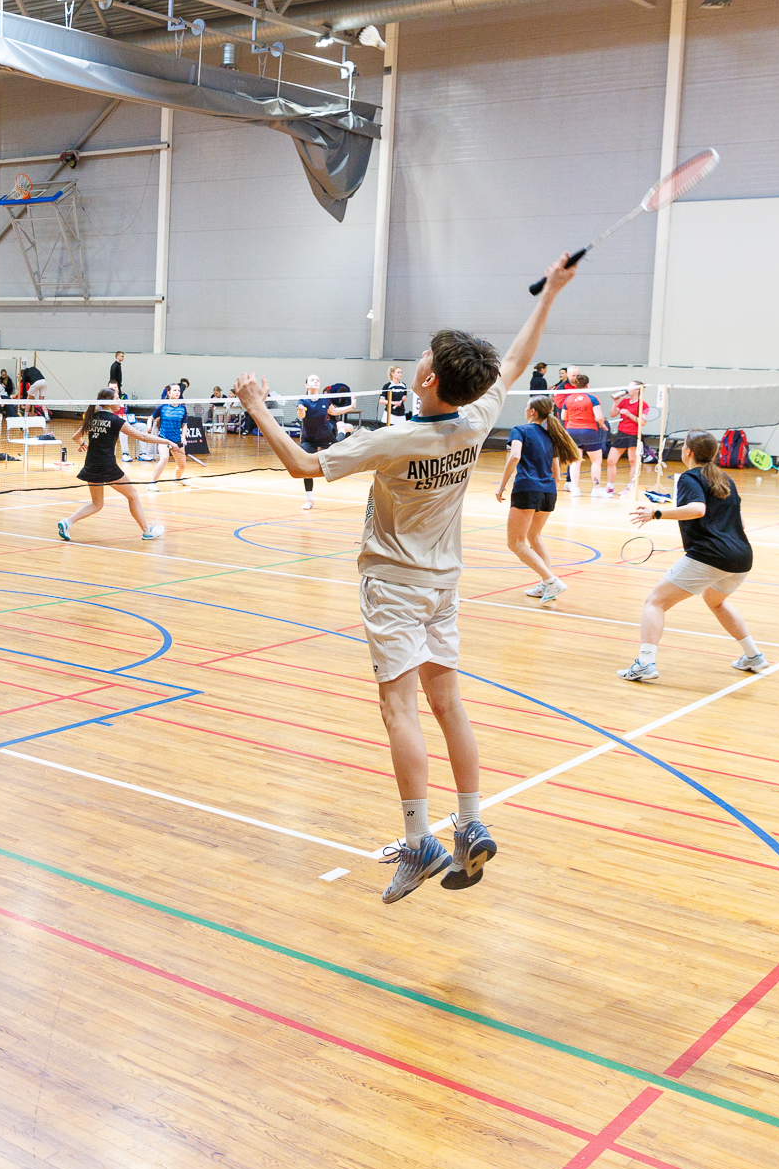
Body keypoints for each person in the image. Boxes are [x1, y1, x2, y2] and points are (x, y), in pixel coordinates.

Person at [232, 252, 579, 904]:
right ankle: (470, 821)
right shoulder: (477, 419)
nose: (419, 356)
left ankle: (421, 839)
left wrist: (256, 406)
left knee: (400, 709)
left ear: (428, 379)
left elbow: (304, 466)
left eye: (424, 355)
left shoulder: (391, 440)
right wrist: (551, 293)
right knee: (448, 704)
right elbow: (518, 358)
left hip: (393, 587)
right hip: (444, 586)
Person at [618, 432, 768, 682]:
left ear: (688, 451)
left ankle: (645, 663)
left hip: (711, 556)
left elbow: (698, 509)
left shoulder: (689, 478)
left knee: (655, 602)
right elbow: (739, 522)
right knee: (715, 601)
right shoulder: (725, 479)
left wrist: (656, 513)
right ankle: (753, 655)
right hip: (741, 557)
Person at [495, 396, 578, 603]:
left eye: (527, 407)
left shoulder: (520, 430)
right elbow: (557, 474)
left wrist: (502, 485)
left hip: (527, 489)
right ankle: (547, 585)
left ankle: (551, 581)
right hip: (548, 492)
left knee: (515, 543)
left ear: (533, 411)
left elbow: (515, 456)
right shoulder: (552, 436)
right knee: (534, 536)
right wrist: (546, 490)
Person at [57, 386, 166, 542]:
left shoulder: (92, 418)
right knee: (133, 495)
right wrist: (167, 441)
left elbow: (76, 437)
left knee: (97, 503)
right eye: (116, 398)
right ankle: (147, 531)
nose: (119, 401)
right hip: (107, 466)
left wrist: (83, 443)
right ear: (108, 402)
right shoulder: (116, 421)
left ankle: (67, 522)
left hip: (92, 464)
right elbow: (142, 437)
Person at [289, 376, 339, 511]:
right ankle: (309, 499)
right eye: (312, 380)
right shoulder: (303, 401)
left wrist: (351, 406)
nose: (316, 381)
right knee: (306, 467)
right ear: (306, 385)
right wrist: (300, 410)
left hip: (325, 436)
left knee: (340, 453)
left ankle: (342, 431)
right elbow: (301, 416)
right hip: (309, 439)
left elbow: (334, 412)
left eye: (317, 380)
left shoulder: (325, 399)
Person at [555, 372, 606, 495]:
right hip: (589, 431)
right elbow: (599, 417)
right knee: (596, 461)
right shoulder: (592, 398)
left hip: (572, 431)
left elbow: (563, 417)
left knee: (574, 461)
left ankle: (575, 489)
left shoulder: (568, 398)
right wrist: (602, 424)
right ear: (587, 385)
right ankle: (596, 489)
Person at [606, 381, 651, 499]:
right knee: (611, 460)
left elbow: (643, 422)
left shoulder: (643, 404)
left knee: (633, 461)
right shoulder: (624, 401)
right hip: (621, 433)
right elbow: (612, 414)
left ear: (637, 390)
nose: (628, 389)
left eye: (630, 387)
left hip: (633, 435)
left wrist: (628, 414)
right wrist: (615, 402)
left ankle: (630, 487)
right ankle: (610, 486)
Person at [150, 384, 191, 485]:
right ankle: (152, 483)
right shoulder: (162, 407)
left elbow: (184, 424)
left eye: (178, 391)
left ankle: (177, 479)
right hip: (164, 439)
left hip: (176, 439)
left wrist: (183, 437)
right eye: (174, 390)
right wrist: (149, 426)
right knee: (164, 458)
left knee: (182, 465)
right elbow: (151, 418)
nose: (177, 392)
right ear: (168, 393)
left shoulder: (182, 408)